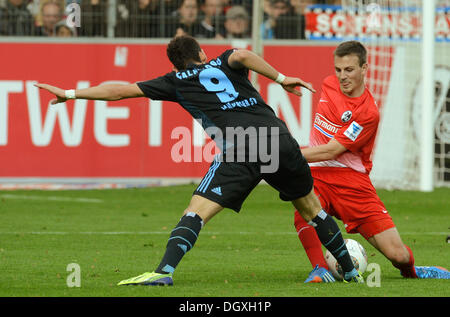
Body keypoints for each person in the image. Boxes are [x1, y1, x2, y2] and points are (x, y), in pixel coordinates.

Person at [35, 35, 364, 286]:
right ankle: (349, 272)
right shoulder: (222, 62)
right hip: (279, 138)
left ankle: (164, 271)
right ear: (202, 54)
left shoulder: (175, 81)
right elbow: (243, 54)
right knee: (311, 209)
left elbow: (120, 90)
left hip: (242, 147)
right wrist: (280, 78)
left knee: (196, 211)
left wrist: (70, 94)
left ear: (177, 65)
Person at [293, 40, 450, 283]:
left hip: (353, 184)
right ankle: (320, 269)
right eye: (338, 70)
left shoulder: (368, 113)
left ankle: (413, 271)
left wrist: (291, 153)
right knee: (305, 208)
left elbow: (333, 150)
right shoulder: (328, 85)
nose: (342, 76)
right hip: (319, 175)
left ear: (365, 68)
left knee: (398, 255)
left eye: (349, 70)